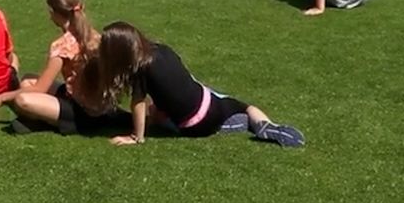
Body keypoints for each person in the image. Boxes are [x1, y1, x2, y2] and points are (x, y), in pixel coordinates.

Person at [79, 22, 305, 146]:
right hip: (201, 103)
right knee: (244, 106)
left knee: (155, 112)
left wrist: (136, 137)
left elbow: (137, 104)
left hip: (196, 121)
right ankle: (265, 123)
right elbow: (181, 76)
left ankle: (247, 125)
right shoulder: (160, 49)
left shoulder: (140, 70)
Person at [0, 0, 129, 137]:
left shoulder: (61, 47)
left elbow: (40, 89)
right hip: (95, 101)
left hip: (82, 112)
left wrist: (3, 97)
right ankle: (42, 119)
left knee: (22, 100)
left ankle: (48, 121)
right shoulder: (96, 36)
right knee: (27, 79)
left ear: (53, 12)